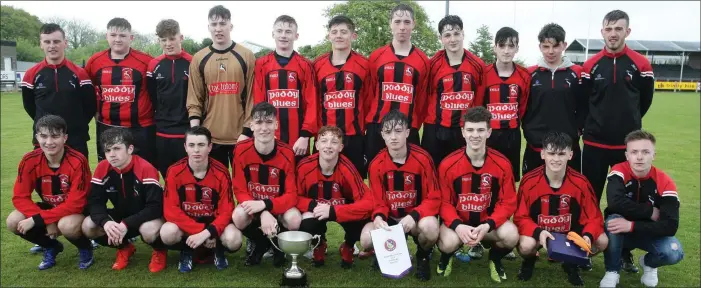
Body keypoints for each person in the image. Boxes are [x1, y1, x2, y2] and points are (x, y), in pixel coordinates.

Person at [581, 10, 654, 272]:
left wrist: (628, 128)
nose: (613, 33)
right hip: (594, 146)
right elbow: (584, 102)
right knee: (589, 200)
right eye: (609, 29)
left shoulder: (641, 64)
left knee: (625, 202)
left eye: (618, 29)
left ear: (627, 32)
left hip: (627, 149)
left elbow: (643, 103)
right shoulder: (590, 66)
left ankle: (624, 252)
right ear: (602, 32)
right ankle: (585, 248)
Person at [435, 107, 519, 283]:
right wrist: (457, 225)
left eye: (481, 130)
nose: (475, 135)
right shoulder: (448, 164)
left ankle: (494, 259)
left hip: (487, 226)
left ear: (489, 132)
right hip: (459, 226)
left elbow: (508, 202)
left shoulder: (502, 164)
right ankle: (447, 255)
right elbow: (443, 202)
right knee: (447, 242)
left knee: (511, 235)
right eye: (470, 130)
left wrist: (488, 225)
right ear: (463, 132)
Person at [514, 131, 608, 286]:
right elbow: (520, 217)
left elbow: (594, 217)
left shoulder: (581, 183)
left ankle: (572, 263)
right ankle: (529, 261)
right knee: (526, 245)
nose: (556, 159)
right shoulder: (529, 182)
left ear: (570, 155)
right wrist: (538, 232)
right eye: (551, 153)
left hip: (571, 235)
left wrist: (588, 236)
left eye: (561, 154)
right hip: (541, 233)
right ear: (543, 154)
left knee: (602, 241)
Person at [470, 27, 530, 260]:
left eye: (511, 45)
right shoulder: (484, 74)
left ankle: (504, 236)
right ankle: (477, 239)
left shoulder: (524, 75)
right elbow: (477, 108)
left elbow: (523, 108)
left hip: (512, 137)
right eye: (502, 45)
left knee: (506, 186)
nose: (506, 50)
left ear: (517, 48)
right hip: (488, 138)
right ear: (495, 47)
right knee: (482, 185)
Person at [360, 110, 441, 281]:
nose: (393, 137)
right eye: (388, 132)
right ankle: (383, 253)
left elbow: (434, 197)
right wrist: (379, 218)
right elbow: (377, 201)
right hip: (390, 220)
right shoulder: (376, 164)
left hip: (415, 219)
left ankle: (422, 256)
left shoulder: (423, 159)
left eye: (398, 131)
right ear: (382, 135)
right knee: (366, 240)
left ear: (407, 132)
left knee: (431, 228)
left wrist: (414, 216)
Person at [6, 115, 93, 270]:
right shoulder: (29, 160)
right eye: (44, 136)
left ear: (65, 138)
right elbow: (20, 197)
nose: (49, 142)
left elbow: (76, 203)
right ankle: (51, 246)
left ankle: (85, 247)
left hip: (76, 212)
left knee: (68, 225)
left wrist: (38, 220)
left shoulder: (78, 161)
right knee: (13, 221)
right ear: (37, 137)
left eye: (55, 136)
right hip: (49, 209)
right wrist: (45, 219)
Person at [599, 130, 683, 288]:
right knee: (613, 221)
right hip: (620, 232)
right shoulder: (619, 171)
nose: (639, 157)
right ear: (627, 155)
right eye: (634, 152)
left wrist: (632, 225)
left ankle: (648, 263)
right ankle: (612, 271)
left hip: (649, 232)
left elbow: (671, 225)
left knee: (674, 252)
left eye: (645, 152)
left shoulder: (665, 182)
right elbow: (615, 203)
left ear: (654, 155)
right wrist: (650, 212)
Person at [82, 127, 167, 272]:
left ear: (130, 149)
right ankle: (124, 248)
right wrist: (106, 222)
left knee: (148, 230)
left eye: (117, 148)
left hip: (147, 217)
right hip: (121, 216)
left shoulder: (146, 168)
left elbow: (155, 207)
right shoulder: (103, 168)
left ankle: (159, 251)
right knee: (88, 226)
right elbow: (95, 202)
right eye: (108, 150)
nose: (112, 155)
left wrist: (126, 224)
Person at [160, 126, 240, 272]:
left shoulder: (221, 172)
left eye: (201, 145)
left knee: (234, 239)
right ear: (185, 147)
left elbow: (227, 211)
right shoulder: (174, 171)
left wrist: (209, 232)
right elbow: (170, 210)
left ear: (210, 147)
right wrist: (202, 231)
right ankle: (187, 250)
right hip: (187, 227)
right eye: (192, 145)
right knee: (167, 233)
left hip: (213, 226)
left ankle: (217, 249)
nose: (196, 150)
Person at [231, 102, 301, 267]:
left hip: (277, 206)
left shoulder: (287, 153)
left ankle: (278, 244)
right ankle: (261, 242)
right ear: (251, 126)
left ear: (276, 125)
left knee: (295, 219)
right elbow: (239, 189)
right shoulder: (240, 150)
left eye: (269, 122)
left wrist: (266, 206)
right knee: (238, 216)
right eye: (259, 122)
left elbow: (291, 195)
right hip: (253, 205)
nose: (264, 128)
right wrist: (262, 212)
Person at [187, 5, 256, 169]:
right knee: (214, 188)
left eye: (222, 24)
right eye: (214, 24)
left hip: (241, 136)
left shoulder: (246, 55)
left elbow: (253, 96)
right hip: (210, 137)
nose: (218, 29)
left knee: (245, 186)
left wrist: (247, 131)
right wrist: (197, 133)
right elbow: (195, 97)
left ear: (230, 26)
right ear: (208, 27)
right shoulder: (199, 58)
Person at [296, 126, 374, 268]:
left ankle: (348, 245)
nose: (328, 146)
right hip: (316, 209)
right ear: (317, 145)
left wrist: (334, 211)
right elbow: (294, 197)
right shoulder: (304, 167)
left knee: (362, 219)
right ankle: (318, 244)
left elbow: (368, 202)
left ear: (341, 147)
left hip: (342, 209)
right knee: (301, 221)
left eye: (334, 142)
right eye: (324, 141)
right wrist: (313, 206)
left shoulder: (348, 168)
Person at [364, 4, 430, 164]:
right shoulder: (376, 56)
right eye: (398, 21)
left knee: (409, 176)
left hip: (408, 129)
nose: (402, 27)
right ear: (390, 24)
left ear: (414, 24)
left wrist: (412, 123)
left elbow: (422, 99)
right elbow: (370, 92)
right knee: (375, 173)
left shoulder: (423, 61)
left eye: (407, 22)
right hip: (378, 126)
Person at [85, 18, 156, 165]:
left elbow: (156, 91)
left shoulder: (147, 61)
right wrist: (94, 111)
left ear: (131, 38)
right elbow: (88, 91)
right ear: (107, 36)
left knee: (143, 171)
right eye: (113, 35)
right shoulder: (94, 61)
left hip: (140, 128)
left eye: (122, 36)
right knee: (109, 172)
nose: (117, 39)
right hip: (107, 126)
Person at [21, 23, 96, 158]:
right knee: (45, 179)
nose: (52, 46)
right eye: (47, 42)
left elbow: (90, 106)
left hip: (75, 139)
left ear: (65, 43)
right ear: (41, 44)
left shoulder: (80, 74)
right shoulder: (31, 74)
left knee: (80, 178)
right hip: (44, 140)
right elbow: (29, 106)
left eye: (56, 41)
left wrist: (75, 124)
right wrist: (46, 124)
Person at [253, 15, 318, 164]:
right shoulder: (261, 64)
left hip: (298, 141)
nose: (283, 35)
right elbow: (258, 102)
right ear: (273, 34)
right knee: (272, 180)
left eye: (288, 31)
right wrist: (263, 131)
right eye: (279, 31)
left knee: (297, 182)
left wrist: (305, 135)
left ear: (296, 36)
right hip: (268, 136)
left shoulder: (305, 65)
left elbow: (311, 103)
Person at [423, 15, 485, 168]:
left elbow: (480, 98)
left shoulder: (477, 65)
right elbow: (425, 96)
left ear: (463, 34)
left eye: (456, 34)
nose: (453, 39)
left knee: (462, 173)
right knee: (434, 174)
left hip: (464, 131)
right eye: (447, 35)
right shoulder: (432, 65)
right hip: (436, 128)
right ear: (441, 38)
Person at [522, 23, 585, 175]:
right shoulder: (529, 73)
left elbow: (585, 105)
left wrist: (577, 130)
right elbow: (523, 106)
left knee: (570, 192)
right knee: (533, 192)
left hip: (568, 147)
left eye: (555, 46)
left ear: (564, 45)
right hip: (536, 145)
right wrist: (530, 130)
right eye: (545, 46)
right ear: (540, 47)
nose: (550, 51)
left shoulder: (578, 72)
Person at [312, 15, 370, 177]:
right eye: (334, 31)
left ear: (353, 35)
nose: (339, 35)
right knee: (323, 179)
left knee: (353, 181)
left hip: (354, 136)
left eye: (344, 32)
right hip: (326, 136)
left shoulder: (364, 65)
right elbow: (314, 101)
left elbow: (369, 99)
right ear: (329, 35)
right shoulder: (317, 65)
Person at [147, 19, 193, 177]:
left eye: (172, 38)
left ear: (181, 37)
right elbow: (152, 97)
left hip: (186, 131)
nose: (168, 44)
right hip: (162, 132)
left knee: (187, 178)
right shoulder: (153, 65)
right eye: (163, 40)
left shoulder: (193, 63)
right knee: (167, 177)